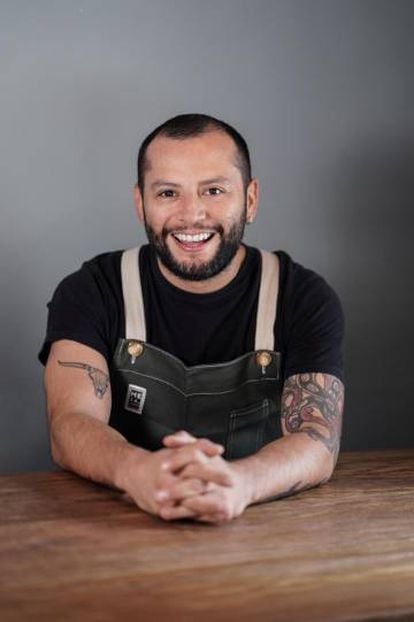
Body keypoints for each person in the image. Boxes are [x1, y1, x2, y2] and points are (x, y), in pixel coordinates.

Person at [39, 113, 344, 524]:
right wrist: (138, 471)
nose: (191, 214)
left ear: (250, 200)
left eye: (214, 190)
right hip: (122, 520)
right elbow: (70, 424)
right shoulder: (93, 290)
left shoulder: (302, 297)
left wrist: (240, 483)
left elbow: (317, 440)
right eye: (167, 193)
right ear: (140, 202)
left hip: (263, 524)